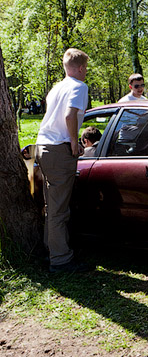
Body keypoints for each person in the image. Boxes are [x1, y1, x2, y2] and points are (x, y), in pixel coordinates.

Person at [35, 48, 92, 274]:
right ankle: (60, 261)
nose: (86, 72)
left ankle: (51, 248)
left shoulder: (56, 88)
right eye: (85, 68)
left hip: (42, 147)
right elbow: (69, 116)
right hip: (59, 149)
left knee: (52, 207)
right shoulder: (79, 86)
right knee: (59, 210)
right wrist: (73, 142)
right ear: (80, 68)